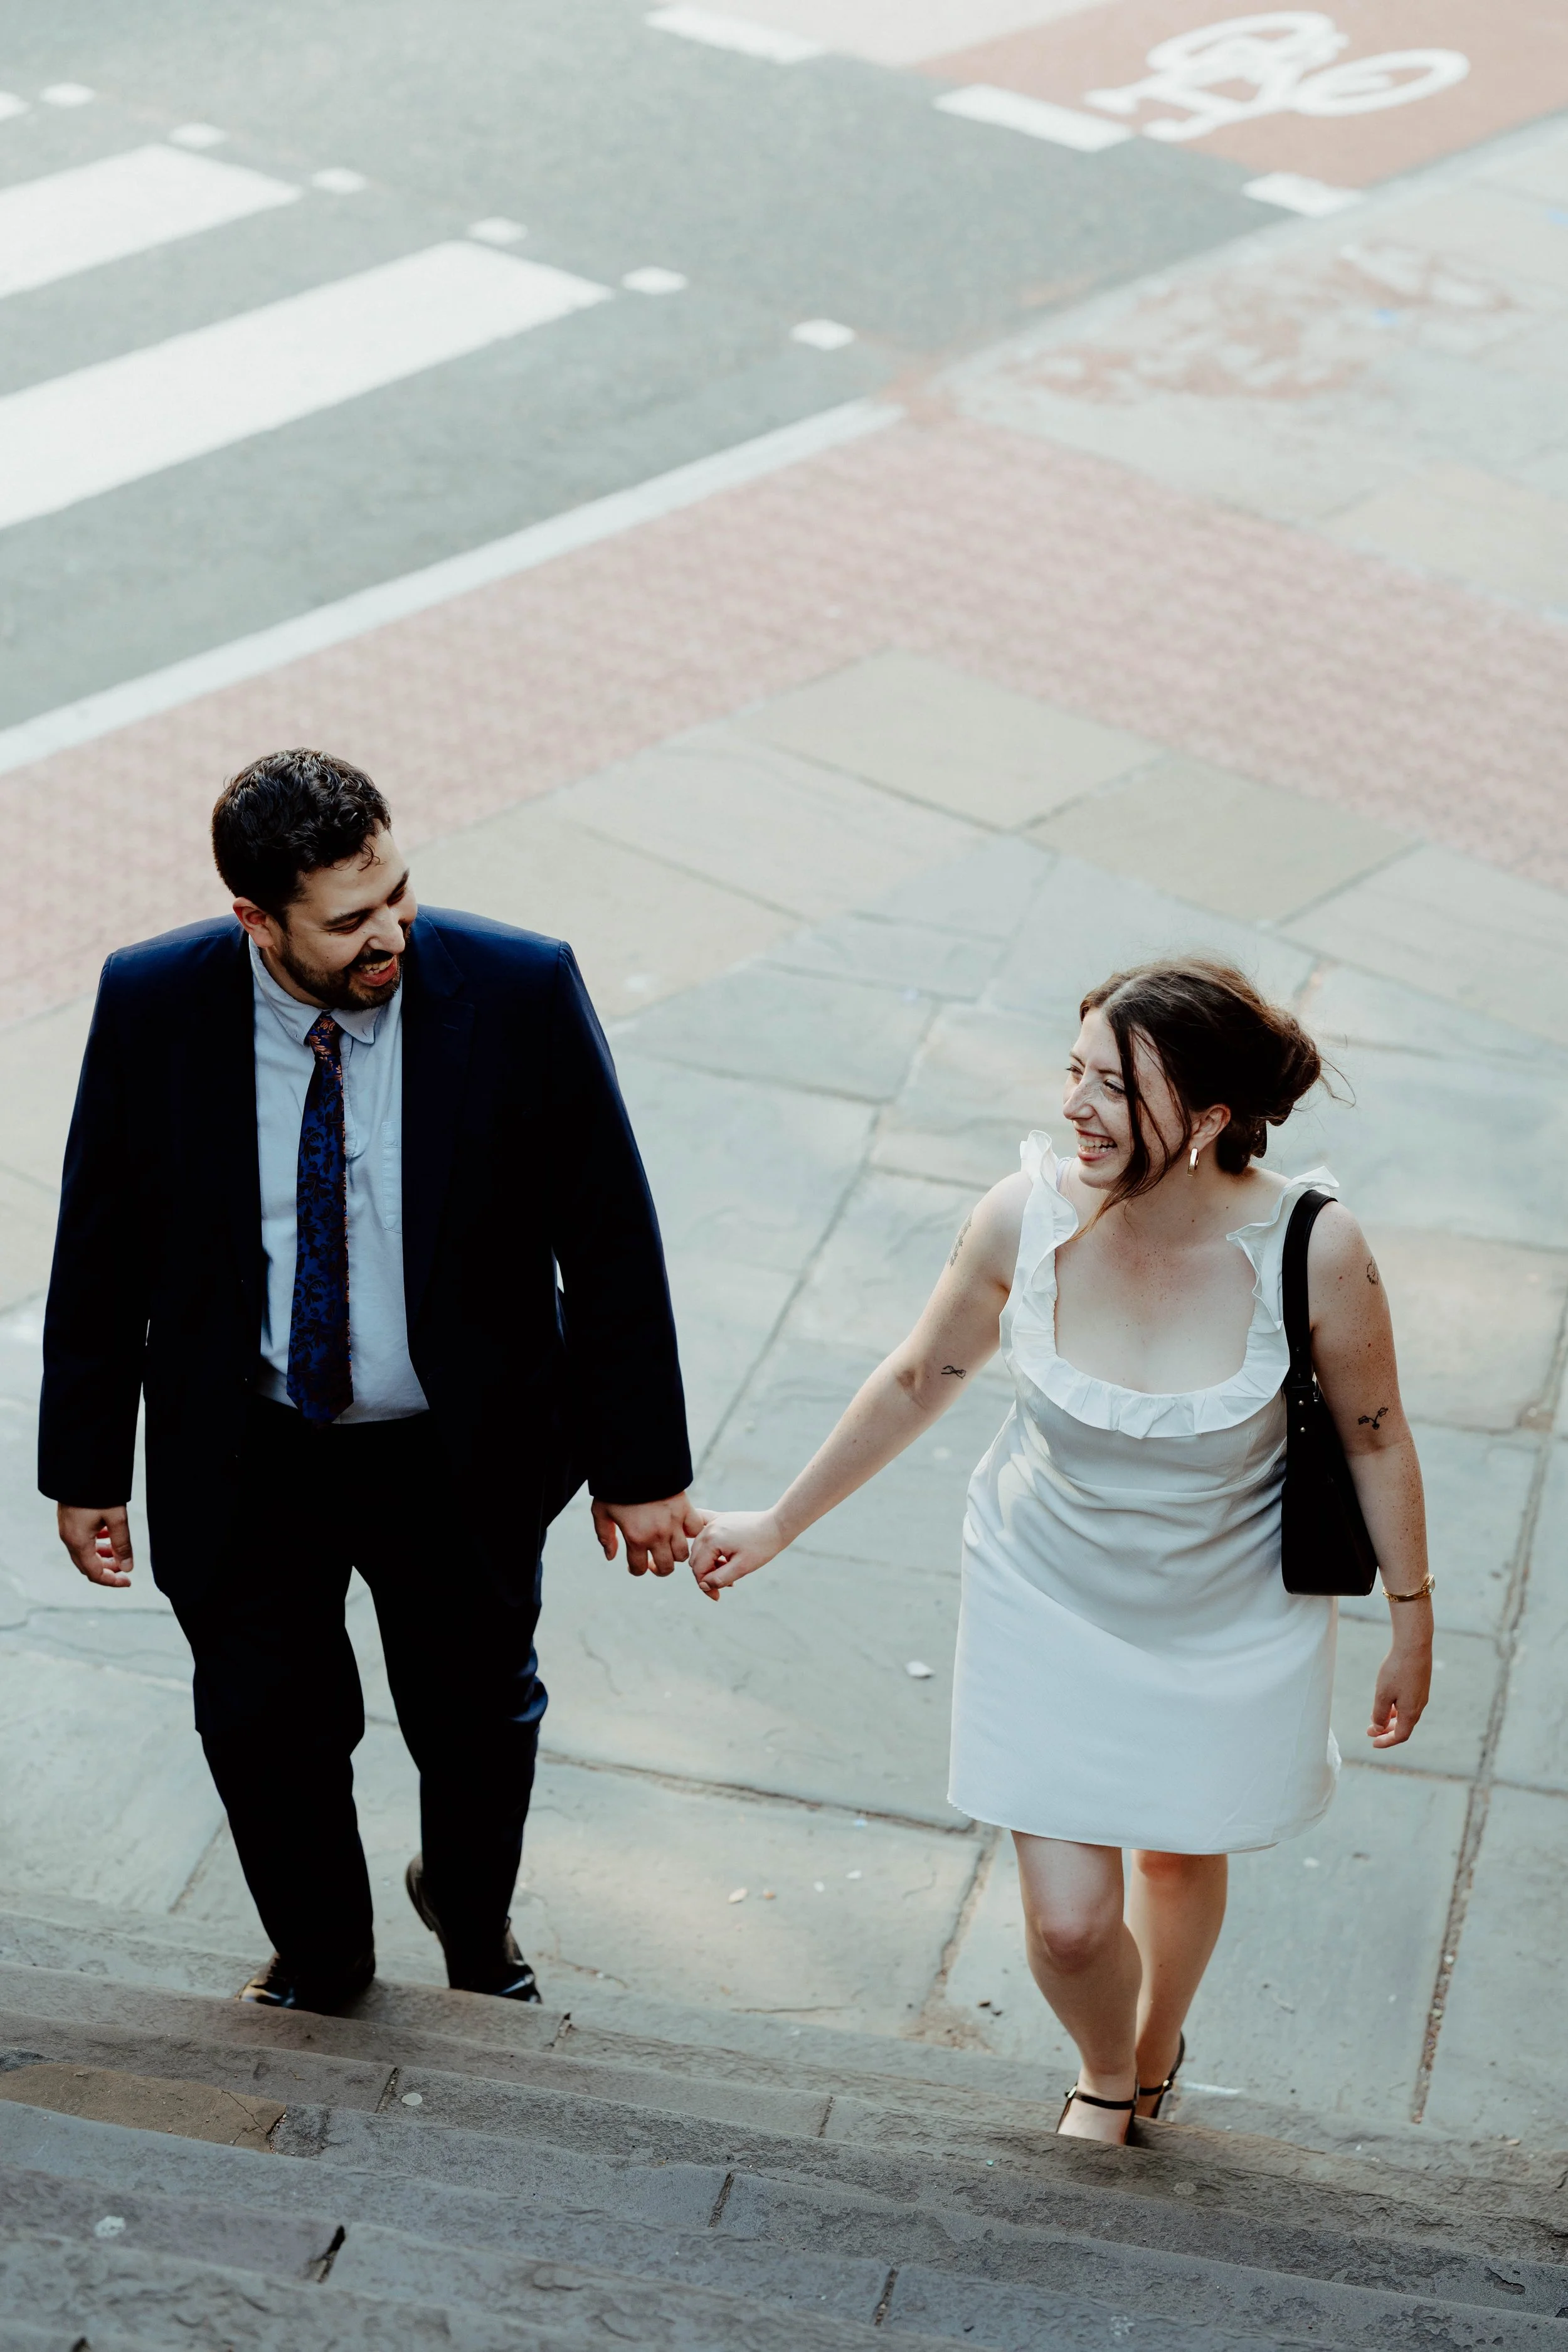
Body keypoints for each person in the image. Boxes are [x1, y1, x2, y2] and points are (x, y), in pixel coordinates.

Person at [691, 957, 1432, 2142]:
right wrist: (777, 1523)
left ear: (1208, 1118)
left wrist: (1413, 1617)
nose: (1076, 1107)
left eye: (1115, 1087)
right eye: (1073, 1072)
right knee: (1074, 1924)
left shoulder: (1315, 1247)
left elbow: (1377, 1437)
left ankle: (1148, 2055)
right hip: (1047, 1589)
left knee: (1181, 1863)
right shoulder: (1020, 1215)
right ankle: (1105, 2068)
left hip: (1228, 1608)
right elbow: (919, 1374)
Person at [40, 749, 699, 2014]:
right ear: (255, 921)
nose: (390, 930)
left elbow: (609, 1237)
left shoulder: (517, 987)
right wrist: (85, 1467)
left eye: (397, 891)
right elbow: (101, 1236)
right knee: (263, 1728)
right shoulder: (154, 1001)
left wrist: (643, 1469)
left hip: (459, 1456)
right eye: (348, 920)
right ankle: (324, 1961)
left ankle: (469, 1914)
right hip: (245, 1450)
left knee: (477, 1723)